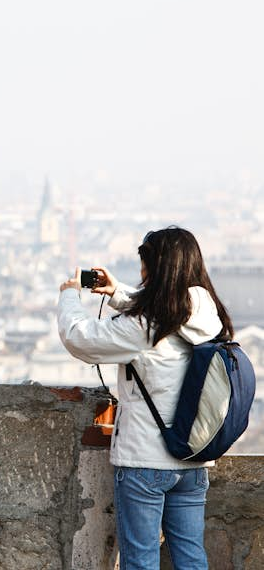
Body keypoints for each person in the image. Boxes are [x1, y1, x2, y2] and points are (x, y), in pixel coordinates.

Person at [57, 227, 230, 570]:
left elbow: (81, 339)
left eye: (144, 266)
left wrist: (69, 295)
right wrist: (119, 292)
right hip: (193, 458)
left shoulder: (147, 325)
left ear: (157, 269)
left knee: (140, 560)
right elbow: (164, 308)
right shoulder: (205, 310)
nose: (141, 273)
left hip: (146, 460)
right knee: (191, 557)